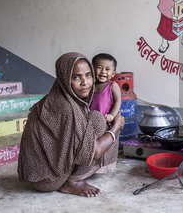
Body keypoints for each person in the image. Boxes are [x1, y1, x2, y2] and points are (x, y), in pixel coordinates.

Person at [18, 52, 124, 197]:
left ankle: (70, 177)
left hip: (38, 176)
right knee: (98, 122)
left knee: (92, 122)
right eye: (76, 77)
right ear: (64, 78)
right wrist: (116, 128)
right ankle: (72, 182)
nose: (85, 82)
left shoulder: (55, 98)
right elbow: (95, 151)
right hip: (50, 180)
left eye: (88, 75)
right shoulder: (68, 108)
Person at [90, 53, 121, 123]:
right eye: (99, 68)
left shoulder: (113, 86)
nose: (103, 71)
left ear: (113, 73)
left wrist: (112, 115)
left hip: (106, 121)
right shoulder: (90, 85)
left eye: (107, 69)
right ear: (92, 69)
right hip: (91, 121)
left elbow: (117, 101)